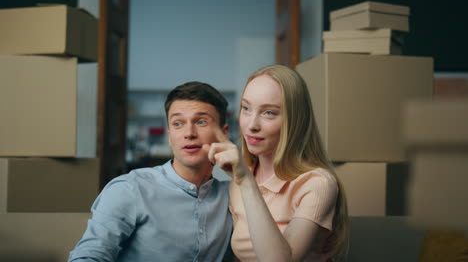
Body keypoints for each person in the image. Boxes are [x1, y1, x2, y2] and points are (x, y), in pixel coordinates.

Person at [69, 82, 233, 262]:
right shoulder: (130, 189)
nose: (189, 133)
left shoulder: (233, 196)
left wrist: (243, 176)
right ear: (170, 136)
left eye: (201, 122)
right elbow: (88, 257)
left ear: (223, 133)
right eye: (178, 123)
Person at [205, 65, 349, 261]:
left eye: (269, 113)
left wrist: (246, 182)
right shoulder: (240, 181)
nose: (252, 125)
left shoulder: (317, 184)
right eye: (246, 108)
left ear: (294, 120)